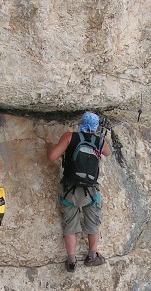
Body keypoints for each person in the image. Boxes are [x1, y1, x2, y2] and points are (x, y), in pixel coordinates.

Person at [46, 111, 111, 272]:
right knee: (93, 223)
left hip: (70, 190)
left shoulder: (70, 137)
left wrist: (49, 146)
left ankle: (71, 260)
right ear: (95, 127)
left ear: (81, 123)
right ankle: (92, 256)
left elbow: (52, 156)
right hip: (90, 192)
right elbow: (108, 153)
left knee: (70, 224)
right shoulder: (100, 141)